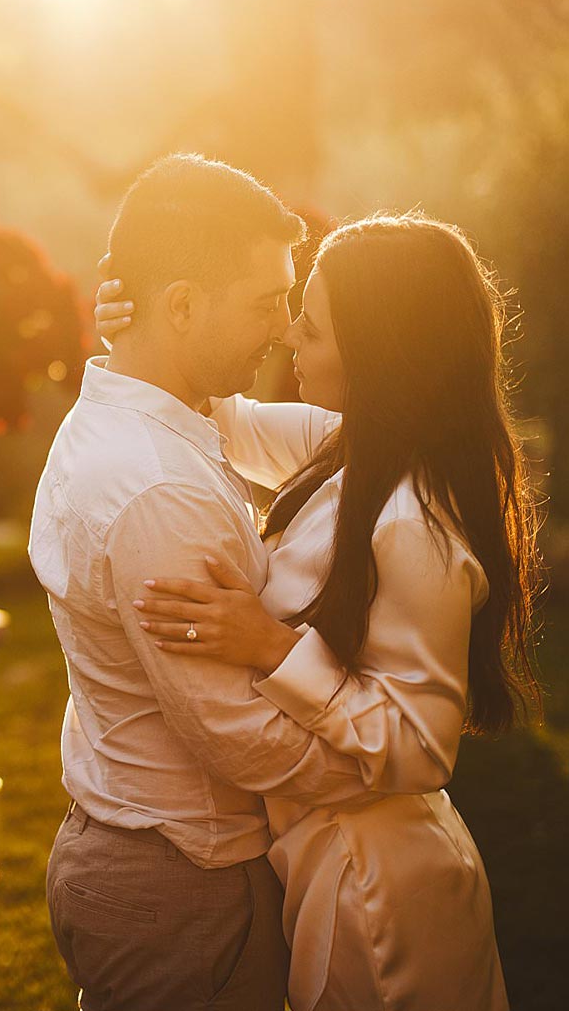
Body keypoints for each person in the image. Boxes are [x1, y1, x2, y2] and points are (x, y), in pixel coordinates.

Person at [95, 211, 541, 1011]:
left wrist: (271, 647)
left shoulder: (413, 521)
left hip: (380, 895)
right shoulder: (352, 445)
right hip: (325, 859)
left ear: (381, 348)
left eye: (314, 324)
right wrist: (139, 334)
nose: (289, 334)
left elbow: (420, 746)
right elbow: (212, 416)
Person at [30, 155, 442, 1011]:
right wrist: (385, 775)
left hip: (139, 860)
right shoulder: (160, 488)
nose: (285, 330)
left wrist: (131, 331)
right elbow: (240, 736)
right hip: (185, 888)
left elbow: (249, 424)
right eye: (267, 304)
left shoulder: (132, 414)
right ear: (183, 304)